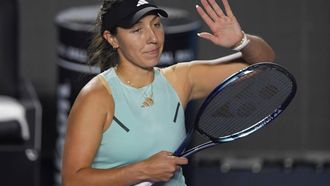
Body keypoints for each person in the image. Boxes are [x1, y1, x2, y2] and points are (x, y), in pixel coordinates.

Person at [61, 0, 275, 185]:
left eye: (156, 25)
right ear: (112, 38)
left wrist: (241, 41)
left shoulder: (181, 79)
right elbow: (72, 180)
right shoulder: (96, 97)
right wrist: (141, 171)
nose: (152, 38)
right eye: (137, 30)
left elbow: (263, 63)